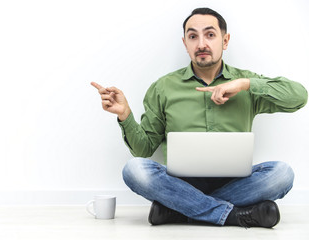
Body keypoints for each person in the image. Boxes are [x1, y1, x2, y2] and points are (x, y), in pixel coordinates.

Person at [91, 7, 308, 228]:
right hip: (179, 183)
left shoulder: (245, 83)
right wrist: (125, 115)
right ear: (185, 43)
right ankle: (232, 215)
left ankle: (180, 210)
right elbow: (143, 150)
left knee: (282, 174)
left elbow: (299, 97)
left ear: (225, 41)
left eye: (210, 35)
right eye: (193, 36)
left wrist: (245, 84)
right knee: (134, 169)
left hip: (236, 182)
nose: (201, 44)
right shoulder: (163, 87)